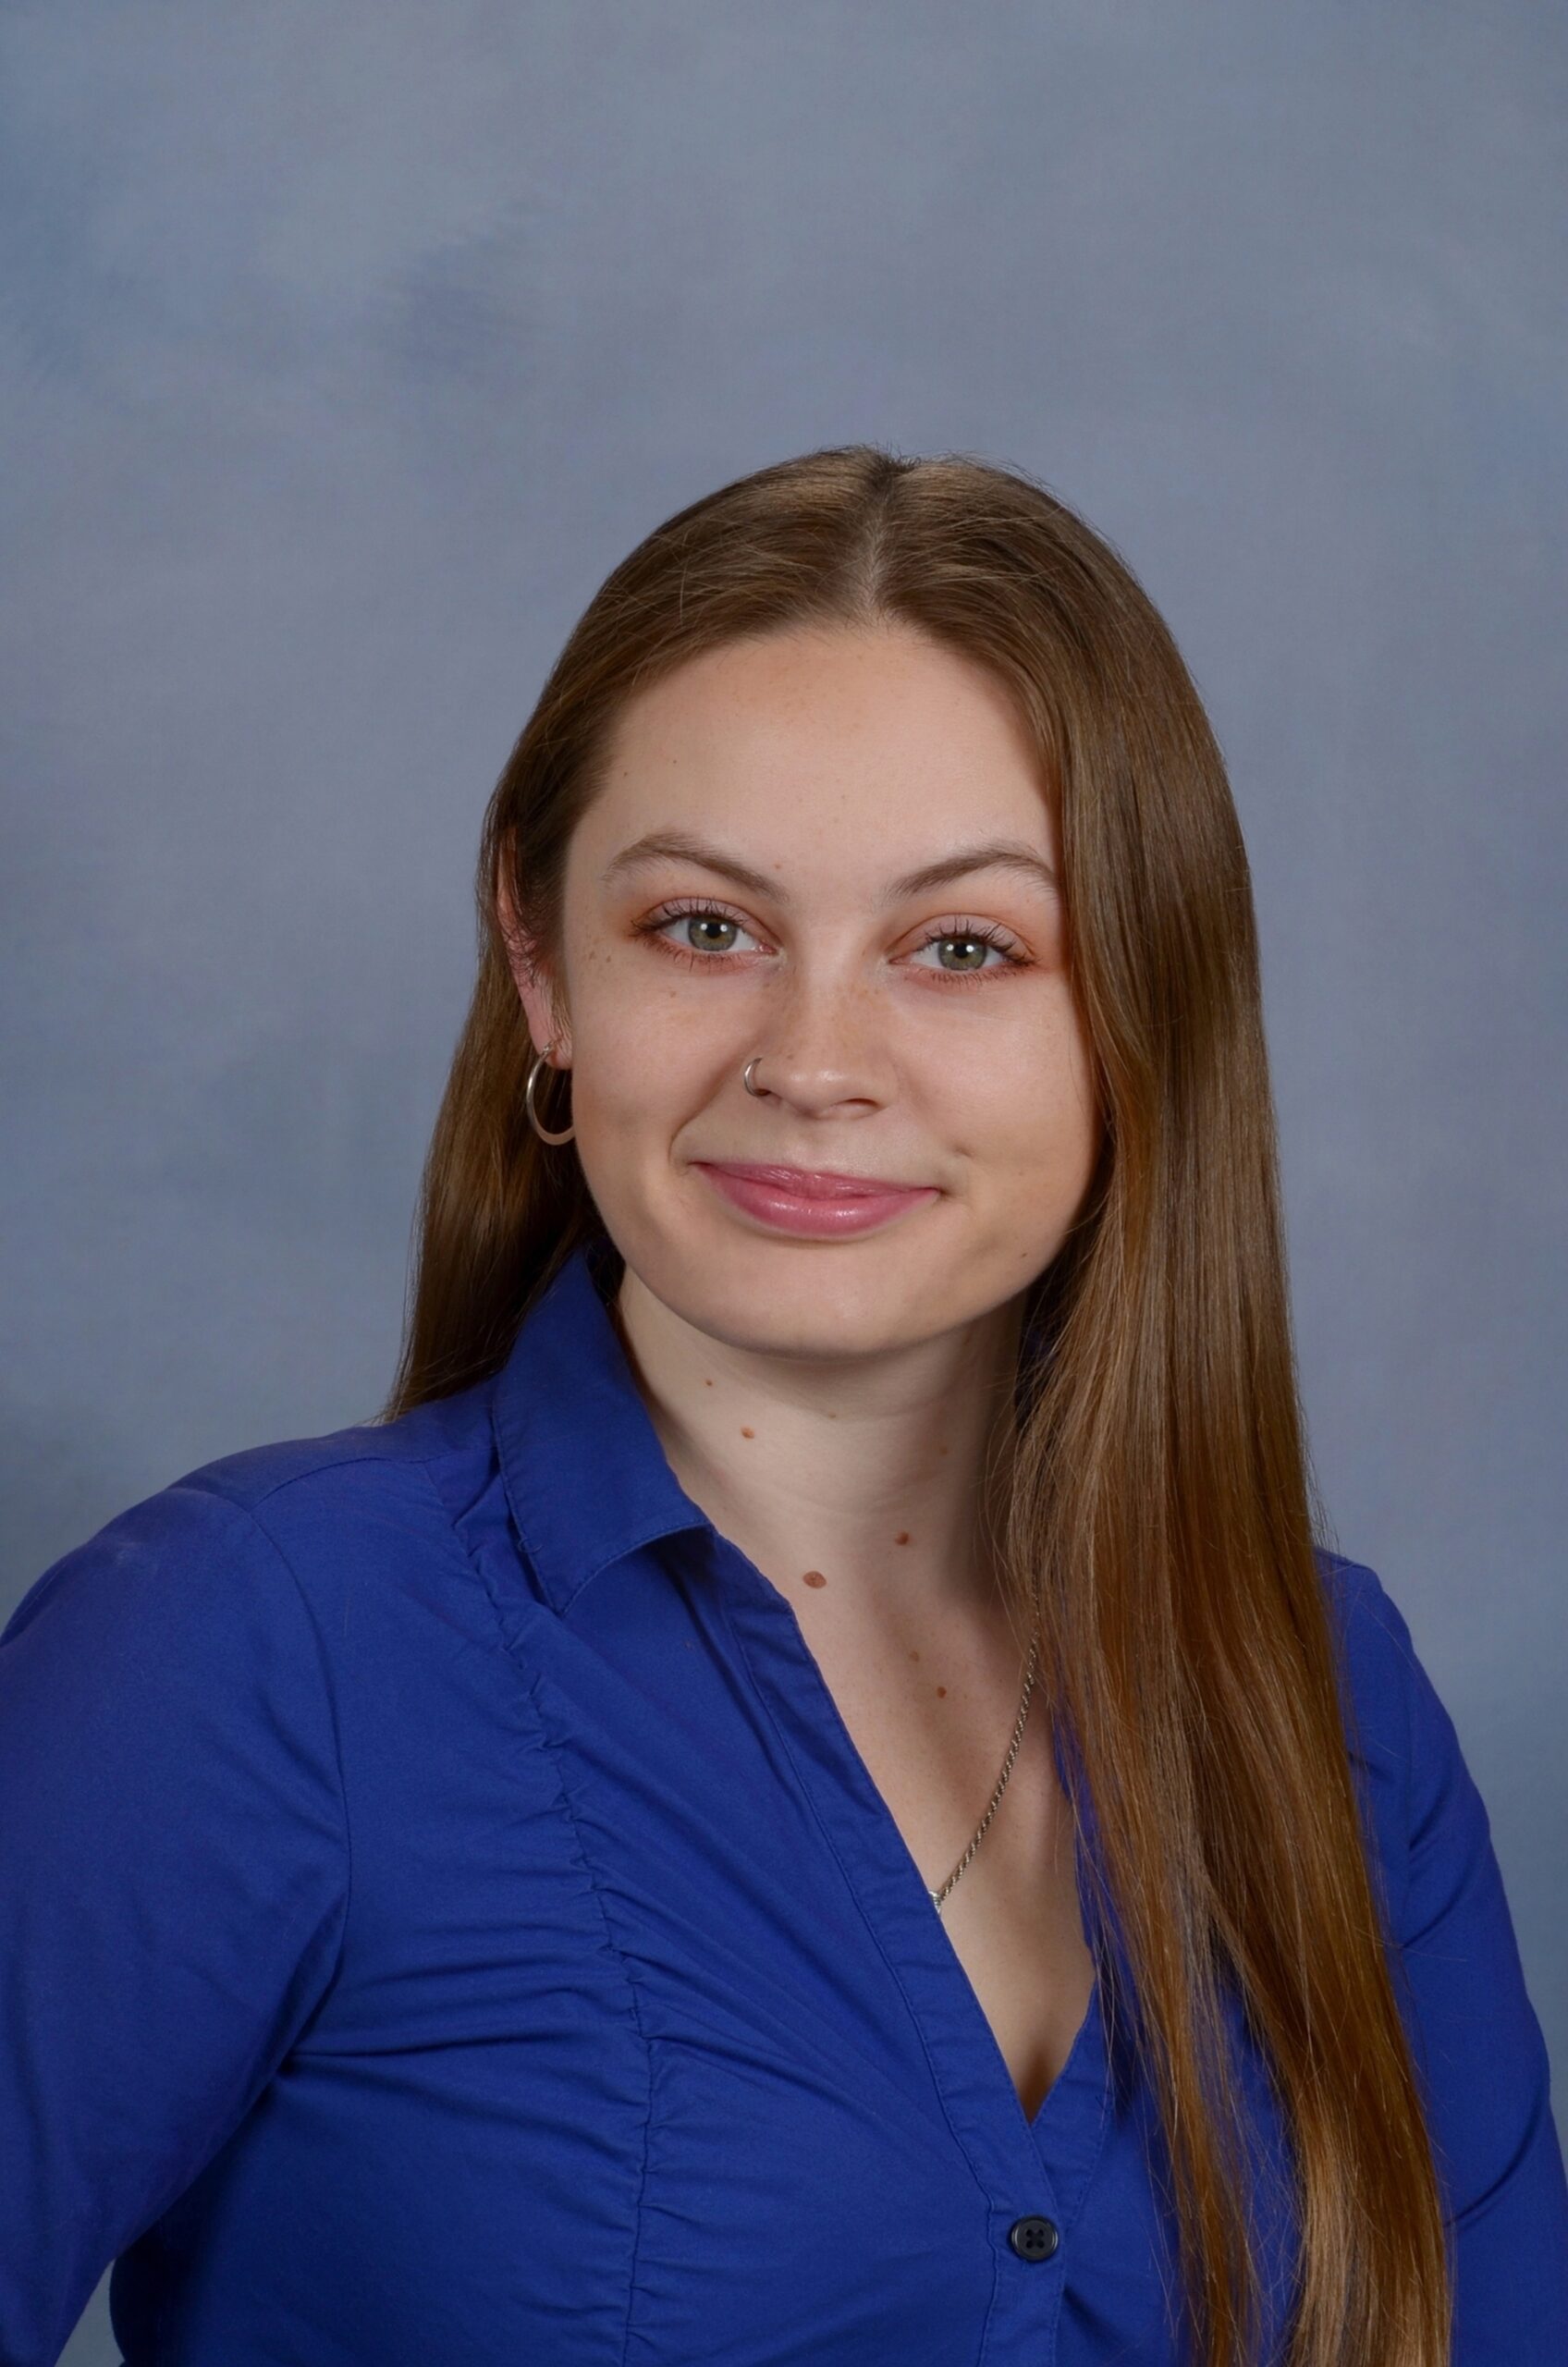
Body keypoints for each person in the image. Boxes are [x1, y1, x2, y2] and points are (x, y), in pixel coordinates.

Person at [2, 447, 1563, 2367]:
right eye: (704, 927)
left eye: (962, 947)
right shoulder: (235, 1647)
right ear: (539, 959)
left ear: (1138, 1009)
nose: (815, 1060)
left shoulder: (1335, 1696)